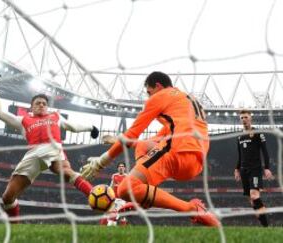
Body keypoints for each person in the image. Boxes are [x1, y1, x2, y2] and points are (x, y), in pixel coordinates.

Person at [82, 71, 220, 226]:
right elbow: (153, 141)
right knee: (141, 147)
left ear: (158, 86)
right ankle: (144, 193)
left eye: (149, 92)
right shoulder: (185, 100)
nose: (149, 97)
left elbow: (131, 134)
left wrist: (101, 162)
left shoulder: (161, 96)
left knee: (125, 189)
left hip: (177, 151)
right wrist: (117, 141)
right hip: (195, 163)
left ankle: (191, 208)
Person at [0, 74, 97, 221]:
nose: (41, 105)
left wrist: (91, 127)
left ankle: (95, 194)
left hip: (53, 149)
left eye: (44, 103)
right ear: (31, 107)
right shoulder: (23, 120)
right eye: (38, 103)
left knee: (67, 171)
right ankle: (14, 226)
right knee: (7, 198)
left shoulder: (55, 116)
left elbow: (73, 126)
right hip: (33, 154)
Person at [234, 109, 274, 227]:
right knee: (252, 201)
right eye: (241, 118)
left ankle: (267, 226)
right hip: (243, 170)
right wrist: (237, 169)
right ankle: (264, 224)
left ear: (250, 118)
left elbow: (265, 151)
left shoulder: (258, 133)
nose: (244, 120)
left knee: (254, 195)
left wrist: (266, 167)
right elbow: (240, 154)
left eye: (246, 117)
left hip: (255, 169)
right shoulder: (239, 136)